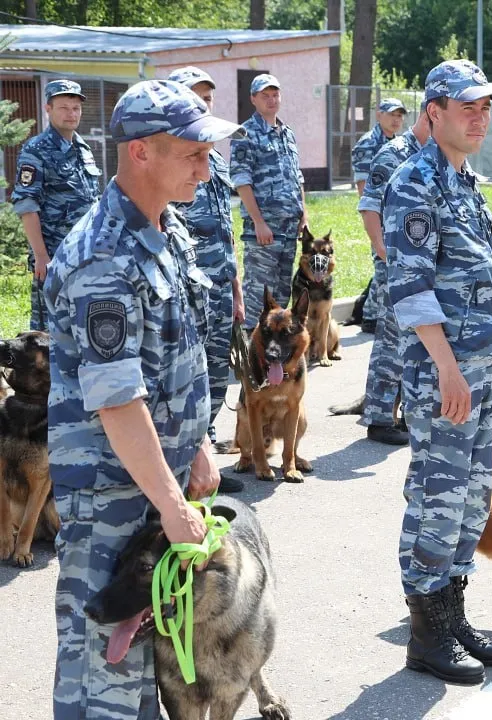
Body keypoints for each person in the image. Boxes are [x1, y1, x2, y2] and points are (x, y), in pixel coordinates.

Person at [46, 79, 240, 719]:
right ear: (140, 154)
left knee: (143, 661)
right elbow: (119, 401)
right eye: (191, 152)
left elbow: (176, 359)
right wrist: (170, 499)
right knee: (102, 663)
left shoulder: (168, 228)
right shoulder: (102, 255)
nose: (204, 166)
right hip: (111, 488)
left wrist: (200, 446)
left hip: (158, 476)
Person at [383, 59, 492, 685]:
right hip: (446, 375)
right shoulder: (416, 183)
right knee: (438, 496)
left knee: (470, 499)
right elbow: (411, 288)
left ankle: (452, 613)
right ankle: (426, 635)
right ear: (433, 112)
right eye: (468, 107)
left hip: (479, 371)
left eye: (486, 106)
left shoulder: (464, 181)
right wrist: (449, 371)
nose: (480, 117)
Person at [167, 68, 246, 479]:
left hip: (219, 289)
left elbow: (225, 229)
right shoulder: (172, 167)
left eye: (208, 100)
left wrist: (236, 289)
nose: (203, 106)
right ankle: (184, 467)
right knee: (186, 382)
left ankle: (205, 454)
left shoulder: (213, 160)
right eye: (194, 98)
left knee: (216, 376)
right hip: (187, 295)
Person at [358, 105, 432, 446]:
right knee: (391, 340)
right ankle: (378, 416)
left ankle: (404, 411)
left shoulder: (438, 154)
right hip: (397, 264)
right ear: (432, 114)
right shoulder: (394, 154)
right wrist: (384, 251)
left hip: (426, 265)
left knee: (417, 341)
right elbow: (369, 205)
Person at [12, 79, 102, 331]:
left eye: (75, 108)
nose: (71, 114)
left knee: (85, 325)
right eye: (64, 107)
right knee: (51, 331)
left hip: (85, 254)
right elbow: (27, 204)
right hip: (55, 256)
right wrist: (41, 256)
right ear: (48, 109)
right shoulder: (37, 150)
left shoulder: (83, 149)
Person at [230, 73, 307, 330]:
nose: (272, 100)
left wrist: (303, 214)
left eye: (275, 95)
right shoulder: (245, 134)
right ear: (253, 99)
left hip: (288, 230)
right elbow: (242, 181)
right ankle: (253, 361)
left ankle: (274, 358)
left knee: (281, 298)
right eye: (265, 95)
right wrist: (258, 222)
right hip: (264, 231)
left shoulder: (287, 134)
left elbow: (297, 177)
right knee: (258, 297)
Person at [353, 97, 408, 332]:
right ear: (378, 114)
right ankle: (370, 316)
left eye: (399, 115)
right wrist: (374, 220)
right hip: (380, 216)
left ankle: (372, 313)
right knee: (383, 266)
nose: (396, 119)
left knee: (388, 267)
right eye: (391, 114)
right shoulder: (368, 144)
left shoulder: (401, 144)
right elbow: (364, 188)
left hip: (399, 214)